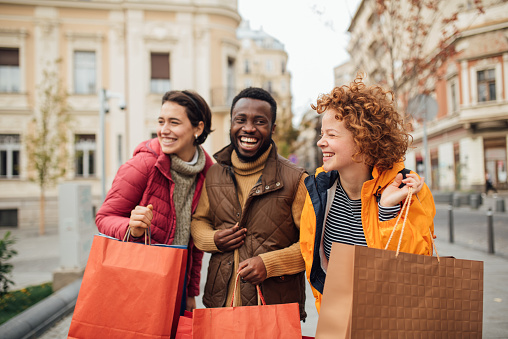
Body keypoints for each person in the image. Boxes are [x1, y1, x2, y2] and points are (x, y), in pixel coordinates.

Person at [300, 74, 436, 312]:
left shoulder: (407, 187)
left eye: (331, 135)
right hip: (340, 318)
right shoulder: (320, 192)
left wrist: (388, 211)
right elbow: (316, 264)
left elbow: (417, 266)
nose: (321, 142)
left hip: (394, 319)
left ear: (364, 139)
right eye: (322, 134)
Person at [191, 87, 308, 320]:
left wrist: (269, 263)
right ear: (231, 125)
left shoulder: (296, 179)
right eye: (240, 120)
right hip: (220, 304)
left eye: (260, 121)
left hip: (274, 310)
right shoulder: (214, 173)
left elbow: (311, 245)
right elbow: (199, 221)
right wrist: (212, 239)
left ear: (273, 129)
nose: (248, 128)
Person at [95, 90, 214, 312]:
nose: (163, 130)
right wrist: (131, 228)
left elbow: (194, 243)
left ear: (198, 128)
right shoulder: (143, 165)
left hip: (177, 284)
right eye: (161, 121)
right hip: (136, 281)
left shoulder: (208, 173)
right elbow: (104, 217)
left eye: (174, 122)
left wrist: (190, 292)